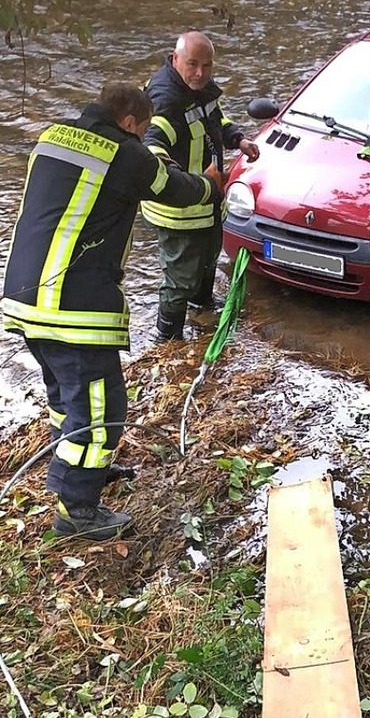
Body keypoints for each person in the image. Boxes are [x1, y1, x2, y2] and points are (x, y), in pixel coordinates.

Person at [1, 83, 224, 540]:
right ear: (129, 123)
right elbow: (176, 189)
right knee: (104, 412)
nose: (140, 137)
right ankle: (75, 510)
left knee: (67, 399)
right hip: (75, 307)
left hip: (23, 295)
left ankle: (76, 472)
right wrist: (212, 184)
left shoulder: (52, 135)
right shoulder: (127, 154)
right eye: (140, 131)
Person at [140, 30, 259, 340]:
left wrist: (238, 139)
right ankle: (168, 341)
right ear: (174, 59)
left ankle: (202, 313)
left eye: (207, 66)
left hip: (208, 203)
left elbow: (214, 120)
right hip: (180, 211)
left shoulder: (199, 90)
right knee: (179, 279)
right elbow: (152, 144)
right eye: (192, 64)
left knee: (207, 264)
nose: (200, 73)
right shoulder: (166, 99)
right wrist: (181, 181)